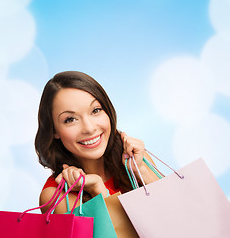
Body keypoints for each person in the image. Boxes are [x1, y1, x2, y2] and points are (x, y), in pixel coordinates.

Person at [36, 71, 159, 214]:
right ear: (54, 131)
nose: (89, 128)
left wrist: (141, 171)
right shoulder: (57, 196)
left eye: (95, 110)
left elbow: (177, 213)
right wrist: (99, 191)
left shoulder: (138, 161)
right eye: (70, 119)